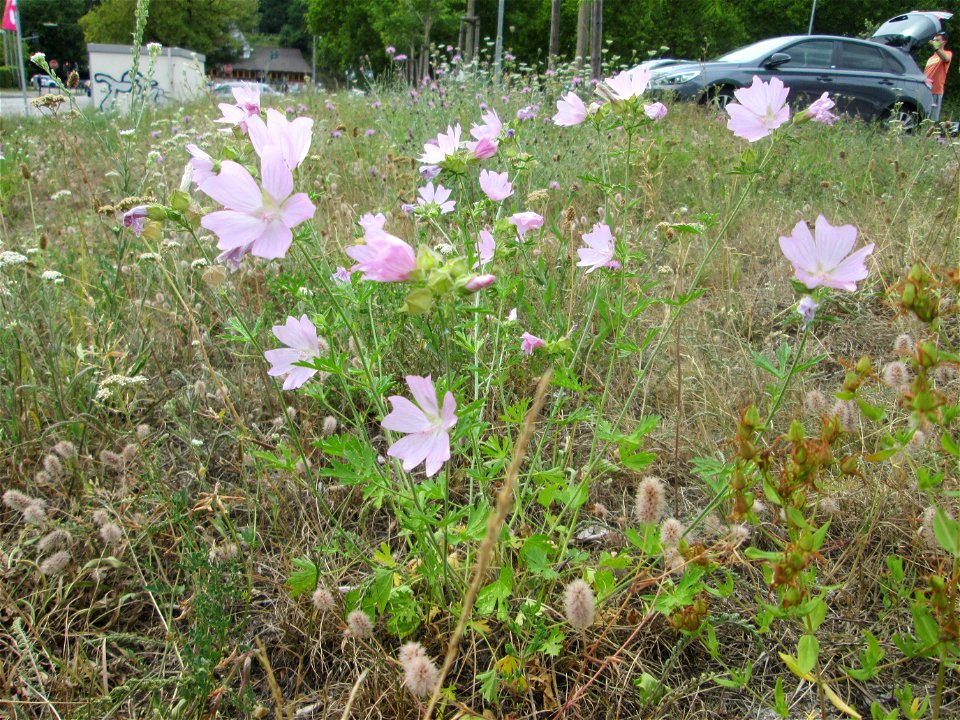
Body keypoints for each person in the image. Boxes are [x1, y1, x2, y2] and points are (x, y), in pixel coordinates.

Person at [924, 31, 952, 122]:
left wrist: (936, 48)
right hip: (925, 90)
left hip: (936, 90)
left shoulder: (947, 53)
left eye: (937, 40)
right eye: (934, 40)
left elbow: (946, 59)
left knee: (932, 119)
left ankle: (931, 135)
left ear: (943, 42)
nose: (934, 42)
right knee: (923, 116)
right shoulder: (931, 58)